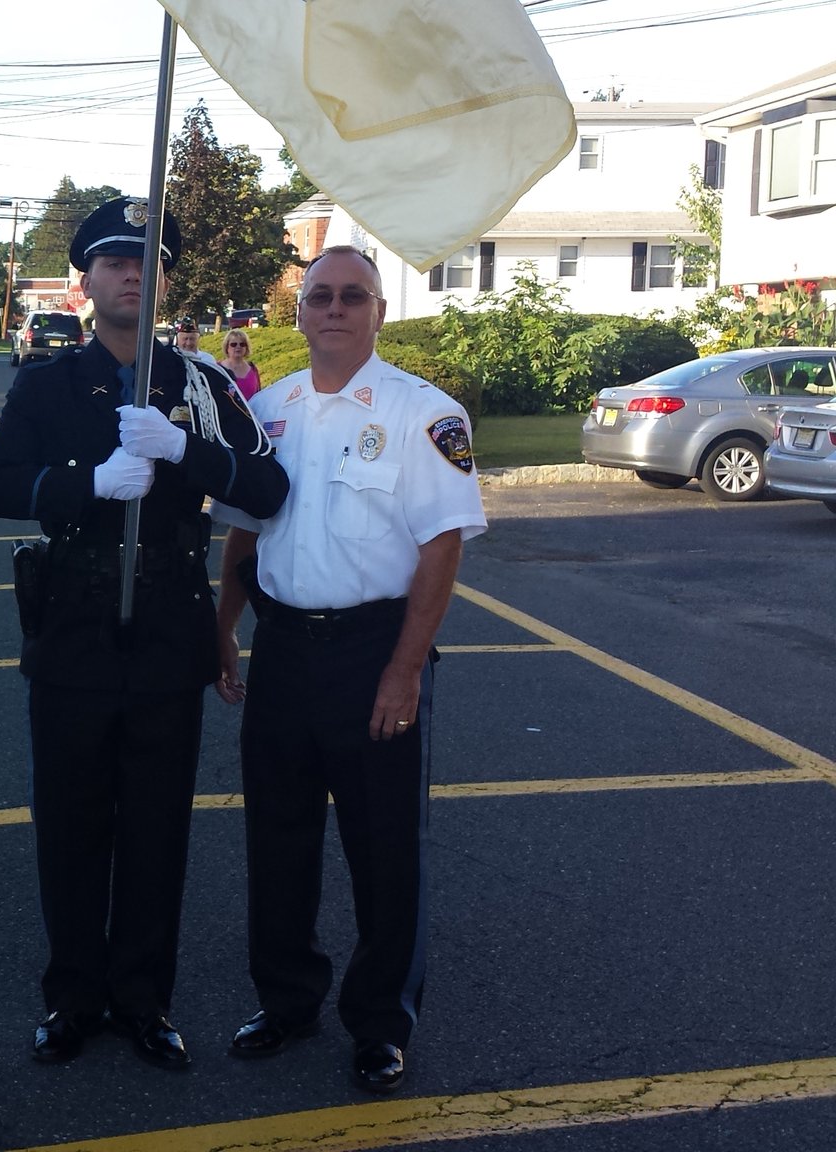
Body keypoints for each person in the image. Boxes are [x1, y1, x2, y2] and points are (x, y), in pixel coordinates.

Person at [0, 199, 289, 1068]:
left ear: (166, 283)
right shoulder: (47, 383)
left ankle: (145, 1000)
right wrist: (86, 485)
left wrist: (186, 451)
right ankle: (73, 998)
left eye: (148, 263)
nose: (132, 274)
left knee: (156, 828)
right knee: (70, 825)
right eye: (114, 261)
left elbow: (268, 488)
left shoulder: (201, 386)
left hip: (164, 628)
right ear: (87, 281)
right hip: (73, 626)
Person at [210, 246, 486, 1096]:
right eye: (320, 296)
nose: (334, 309)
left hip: (375, 651)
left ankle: (380, 1024)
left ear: (378, 311)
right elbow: (245, 530)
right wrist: (223, 630)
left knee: (384, 846)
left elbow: (442, 545)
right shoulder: (269, 411)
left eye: (352, 296)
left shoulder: (423, 413)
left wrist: (405, 669)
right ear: (298, 313)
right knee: (278, 838)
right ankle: (287, 1001)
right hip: (284, 648)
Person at [220, 329, 263, 400]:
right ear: (227, 347)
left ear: (246, 347)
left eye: (242, 344)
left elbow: (258, 395)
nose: (238, 347)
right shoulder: (218, 369)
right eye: (233, 344)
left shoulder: (253, 369)